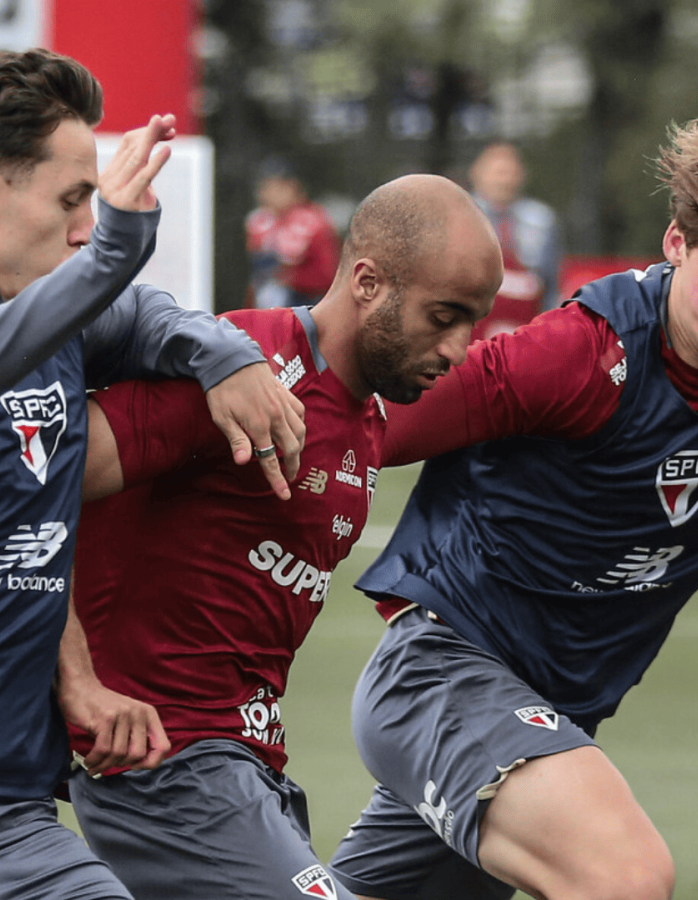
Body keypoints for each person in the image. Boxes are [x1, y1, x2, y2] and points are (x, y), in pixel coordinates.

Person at [326, 96, 698, 900]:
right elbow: (363, 420)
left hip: (549, 715)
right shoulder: (580, 355)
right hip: (443, 675)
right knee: (624, 877)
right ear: (676, 243)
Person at [0, 48, 304, 900]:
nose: (81, 227)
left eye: (94, 205)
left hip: (11, 819)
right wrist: (111, 257)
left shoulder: (47, 314)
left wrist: (227, 353)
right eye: (72, 202)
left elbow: (140, 317)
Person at [66, 173, 503, 900]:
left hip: (247, 768)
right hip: (163, 767)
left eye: (474, 322)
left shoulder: (365, 420)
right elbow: (28, 478)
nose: (459, 349)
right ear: (367, 281)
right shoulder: (245, 374)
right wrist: (74, 679)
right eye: (444, 316)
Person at [467, 141, 564, 342]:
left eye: (510, 172)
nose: (504, 180)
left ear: (522, 176)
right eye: (497, 172)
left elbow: (551, 283)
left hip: (524, 330)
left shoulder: (542, 219)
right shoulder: (461, 214)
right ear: (476, 173)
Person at [245, 155, 342, 308]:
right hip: (267, 307)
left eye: (273, 187)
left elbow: (327, 275)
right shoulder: (260, 221)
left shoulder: (314, 221)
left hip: (305, 307)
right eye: (263, 188)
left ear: (292, 187)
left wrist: (289, 278)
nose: (265, 194)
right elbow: (256, 278)